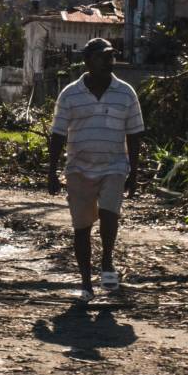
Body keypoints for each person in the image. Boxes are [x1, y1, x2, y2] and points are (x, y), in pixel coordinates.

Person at [46, 37, 145, 300]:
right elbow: (57, 134)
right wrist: (51, 171)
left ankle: (107, 261)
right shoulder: (69, 94)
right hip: (78, 168)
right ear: (88, 61)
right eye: (103, 57)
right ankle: (86, 283)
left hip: (114, 166)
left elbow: (134, 134)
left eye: (111, 57)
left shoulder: (126, 93)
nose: (109, 62)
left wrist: (134, 172)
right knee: (82, 227)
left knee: (110, 215)